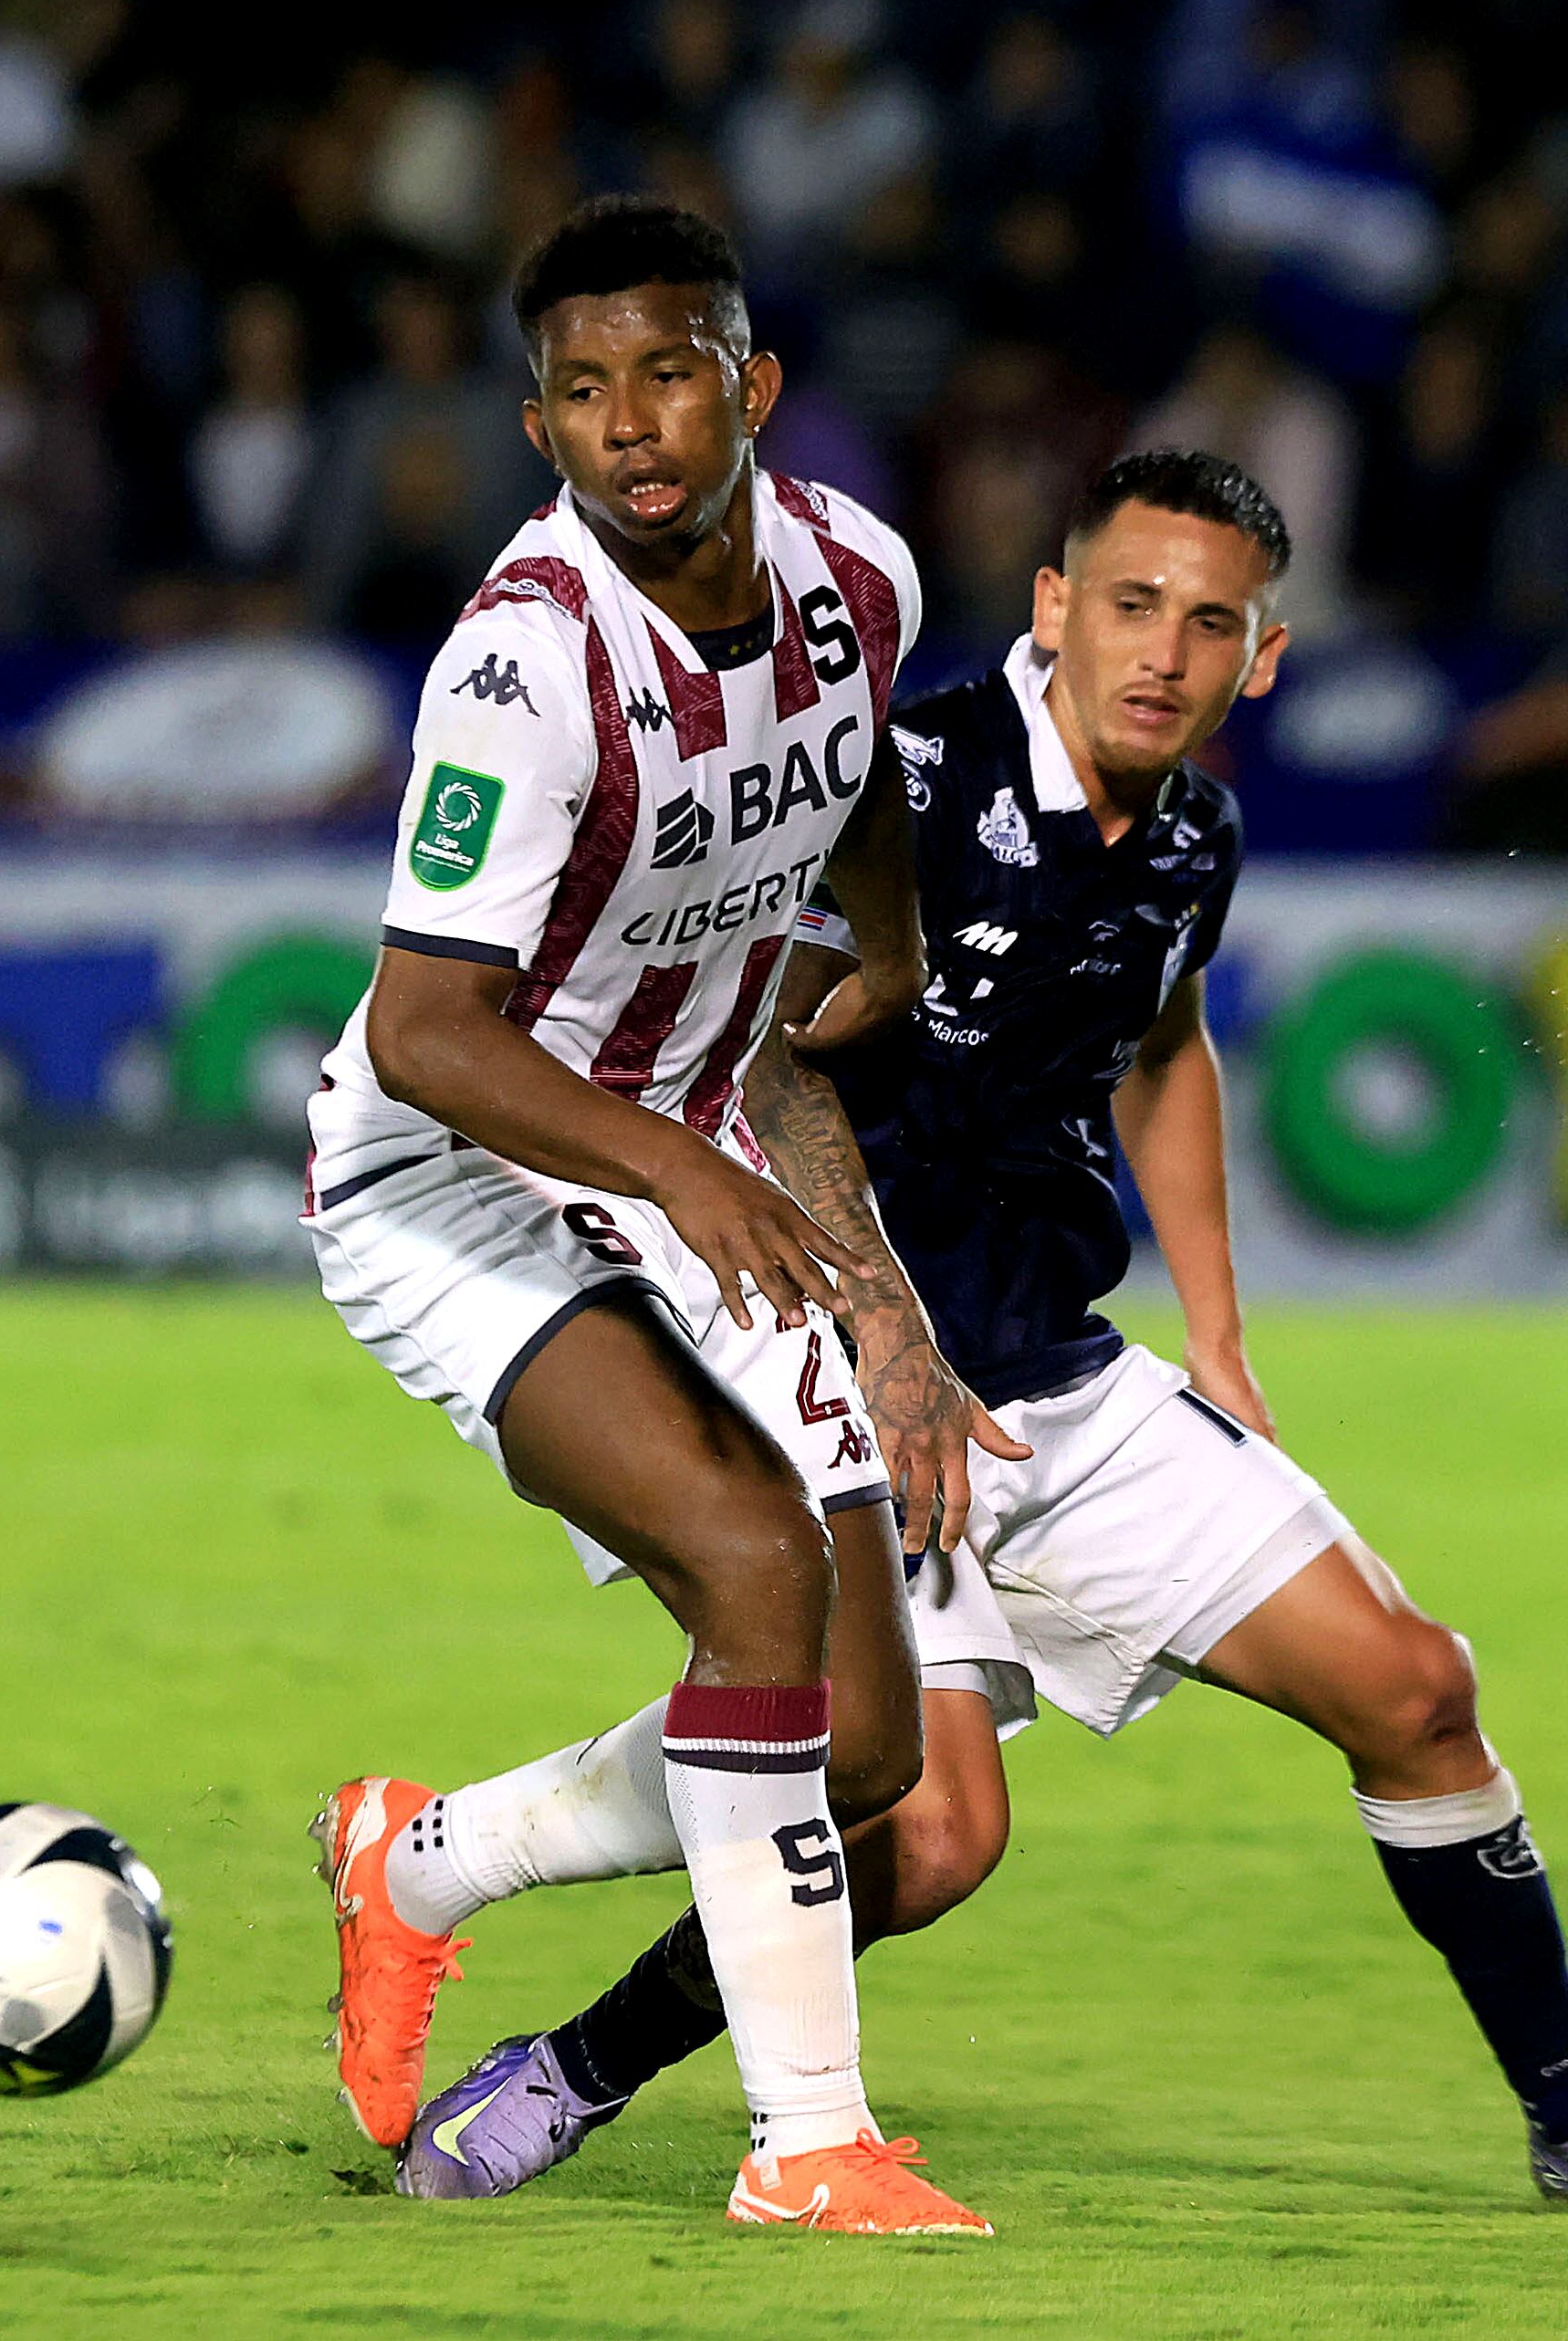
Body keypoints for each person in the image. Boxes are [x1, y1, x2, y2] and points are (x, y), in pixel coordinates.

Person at [378, 450, 1568, 2221]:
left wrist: (1215, 1336)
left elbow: (1163, 1046)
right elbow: (748, 1042)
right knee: (920, 1828)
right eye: (1127, 603)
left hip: (1056, 1367)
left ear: (1260, 657)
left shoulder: (1192, 837)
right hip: (854, 1370)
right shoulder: (894, 774)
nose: (1161, 649)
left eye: (1208, 621)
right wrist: (874, 1340)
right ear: (1050, 606)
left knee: (1416, 1688)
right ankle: (565, 2065)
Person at [300, 194, 1010, 2237]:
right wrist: (698, 1167)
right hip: (456, 1172)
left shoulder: (850, 573)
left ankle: (420, 1858)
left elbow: (851, 760)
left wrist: (874, 932)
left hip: (682, 1152)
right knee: (744, 1558)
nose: (631, 425)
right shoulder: (522, 669)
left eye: (667, 373)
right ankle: (807, 2141)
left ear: (749, 386)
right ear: (538, 430)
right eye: (584, 392)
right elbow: (430, 1032)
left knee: (862, 1741)